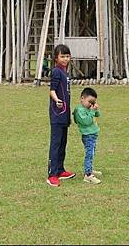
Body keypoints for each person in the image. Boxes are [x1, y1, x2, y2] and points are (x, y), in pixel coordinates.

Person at [46, 44, 75, 187]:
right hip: (57, 113)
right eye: (62, 56)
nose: (65, 59)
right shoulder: (57, 72)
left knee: (63, 143)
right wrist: (57, 99)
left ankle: (60, 170)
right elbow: (52, 90)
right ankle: (52, 174)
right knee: (56, 143)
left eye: (67, 56)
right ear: (56, 58)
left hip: (65, 113)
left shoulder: (65, 72)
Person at [72, 87, 102, 184]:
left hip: (93, 135)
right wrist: (92, 111)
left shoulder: (89, 109)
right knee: (89, 154)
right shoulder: (79, 110)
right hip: (88, 136)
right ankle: (88, 175)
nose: (91, 104)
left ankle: (90, 169)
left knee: (92, 153)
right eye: (89, 101)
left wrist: (96, 110)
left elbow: (98, 115)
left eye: (93, 102)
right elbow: (86, 122)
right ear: (82, 98)